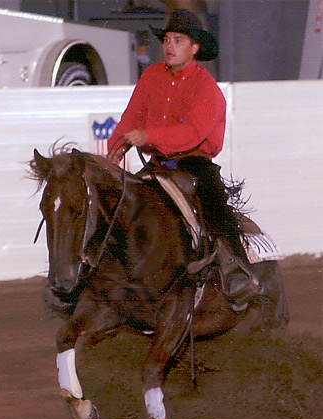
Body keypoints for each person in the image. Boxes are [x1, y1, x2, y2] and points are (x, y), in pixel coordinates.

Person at [107, 9, 259, 307]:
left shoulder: (208, 89)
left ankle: (237, 271)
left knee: (215, 208)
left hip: (194, 163)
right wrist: (114, 151)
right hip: (159, 165)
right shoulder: (151, 76)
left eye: (178, 40)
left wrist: (148, 136)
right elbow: (131, 118)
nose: (170, 46)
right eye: (167, 39)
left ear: (194, 48)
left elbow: (191, 133)